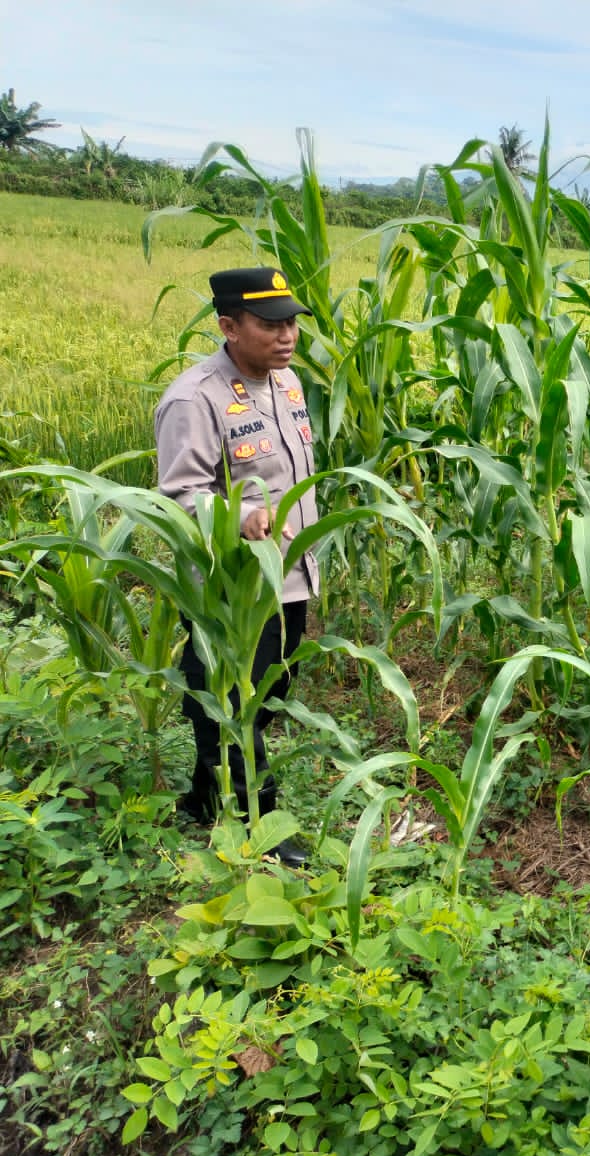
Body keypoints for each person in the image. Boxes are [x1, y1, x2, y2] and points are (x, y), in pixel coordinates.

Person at [154, 268, 320, 867]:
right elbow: (178, 497)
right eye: (270, 324)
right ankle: (259, 826)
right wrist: (240, 516)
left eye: (291, 322)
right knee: (234, 701)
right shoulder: (193, 398)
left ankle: (204, 798)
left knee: (266, 695)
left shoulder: (288, 383)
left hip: (288, 576)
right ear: (228, 326)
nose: (287, 335)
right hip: (233, 590)